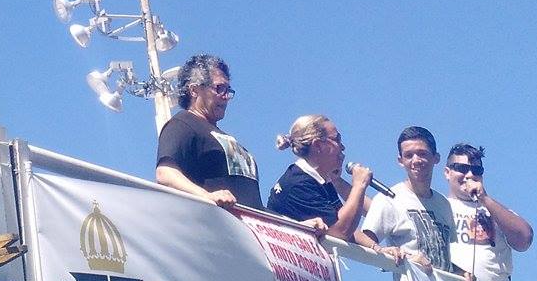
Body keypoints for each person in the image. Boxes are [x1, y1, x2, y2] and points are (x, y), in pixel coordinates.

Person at [354, 126, 459, 281]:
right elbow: (362, 236)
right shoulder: (390, 198)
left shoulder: (444, 204)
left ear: (436, 158)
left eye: (422, 153)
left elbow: (443, 256)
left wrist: (462, 273)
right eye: (409, 155)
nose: (416, 160)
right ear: (400, 160)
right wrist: (385, 250)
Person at [154, 54, 260, 208]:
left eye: (228, 90)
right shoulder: (182, 124)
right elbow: (165, 174)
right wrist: (207, 196)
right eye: (219, 88)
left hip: (247, 227)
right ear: (194, 90)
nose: (225, 97)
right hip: (212, 224)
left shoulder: (224, 136)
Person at [267, 115, 374, 238]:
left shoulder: (319, 180)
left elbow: (342, 221)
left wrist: (377, 248)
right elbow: (341, 230)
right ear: (318, 145)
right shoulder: (299, 184)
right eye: (337, 139)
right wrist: (359, 186)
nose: (342, 147)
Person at [444, 143, 534, 281]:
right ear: (447, 172)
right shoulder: (438, 207)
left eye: (476, 170)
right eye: (462, 168)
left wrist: (485, 199)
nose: (470, 175)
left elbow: (524, 239)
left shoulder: (495, 210)